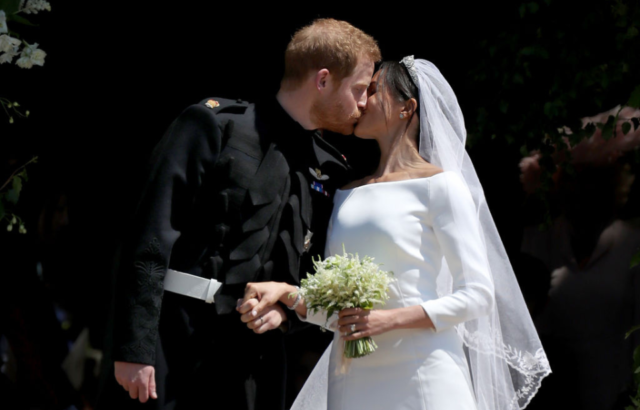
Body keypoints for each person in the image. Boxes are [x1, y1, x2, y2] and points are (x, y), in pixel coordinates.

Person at [97, 19, 381, 410]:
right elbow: (149, 237)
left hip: (257, 364)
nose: (365, 103)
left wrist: (287, 316)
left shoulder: (332, 168)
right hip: (175, 341)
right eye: (360, 89)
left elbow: (315, 273)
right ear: (323, 80)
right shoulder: (213, 125)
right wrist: (134, 348)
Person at [239, 57, 551, 410]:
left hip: (423, 373)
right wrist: (288, 294)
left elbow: (478, 294)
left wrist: (388, 319)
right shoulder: (346, 192)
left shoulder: (440, 186)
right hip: (351, 379)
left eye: (372, 90)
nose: (361, 101)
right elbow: (339, 314)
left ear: (407, 108)